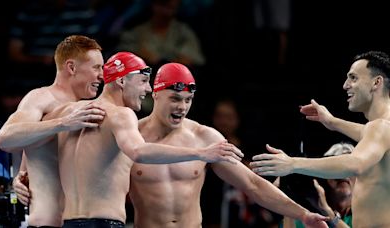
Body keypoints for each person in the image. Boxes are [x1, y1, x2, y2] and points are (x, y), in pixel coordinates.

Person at [42, 52, 243, 227]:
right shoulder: (123, 118)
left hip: (70, 221)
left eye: (188, 99)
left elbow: (20, 137)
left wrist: (24, 175)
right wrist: (201, 153)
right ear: (121, 81)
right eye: (143, 81)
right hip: (105, 221)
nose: (147, 89)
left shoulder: (71, 112)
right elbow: (139, 151)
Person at [126, 62, 327, 227]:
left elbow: (253, 185)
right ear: (156, 94)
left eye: (188, 100)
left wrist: (303, 214)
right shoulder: (131, 136)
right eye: (175, 98)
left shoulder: (204, 137)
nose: (182, 107)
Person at [251, 50, 390, 227]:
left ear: (376, 82)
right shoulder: (382, 129)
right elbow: (369, 134)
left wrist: (292, 164)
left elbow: (356, 163)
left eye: (353, 78)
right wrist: (332, 122)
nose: (345, 85)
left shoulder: (380, 127)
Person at [0, 35, 106, 227]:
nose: (102, 75)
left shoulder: (89, 109)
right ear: (72, 68)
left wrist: (22, 176)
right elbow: (6, 138)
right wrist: (63, 123)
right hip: (47, 223)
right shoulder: (42, 97)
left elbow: (33, 149)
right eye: (96, 67)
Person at [281, 142, 355, 228]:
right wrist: (289, 202)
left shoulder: (368, 213)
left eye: (348, 169)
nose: (343, 175)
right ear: (323, 176)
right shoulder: (307, 217)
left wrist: (330, 214)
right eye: (336, 169)